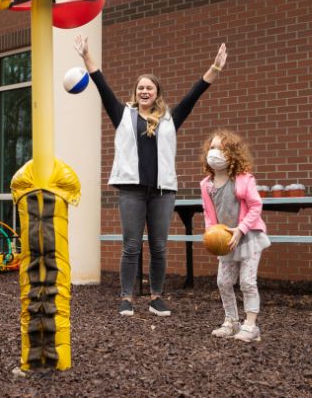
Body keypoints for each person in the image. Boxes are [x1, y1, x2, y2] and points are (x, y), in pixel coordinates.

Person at [74, 35, 227, 317]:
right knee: (131, 245)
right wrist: (86, 56)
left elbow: (195, 93)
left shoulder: (171, 118)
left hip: (162, 191)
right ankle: (126, 298)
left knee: (159, 246)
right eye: (141, 87)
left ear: (157, 93)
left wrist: (215, 68)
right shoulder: (122, 114)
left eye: (150, 87)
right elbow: (101, 84)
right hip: (131, 190)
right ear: (136, 92)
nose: (145, 91)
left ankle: (157, 297)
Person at [199, 129, 270, 342]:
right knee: (223, 282)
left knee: (247, 282)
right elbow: (208, 214)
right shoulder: (207, 185)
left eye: (221, 149)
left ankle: (251, 325)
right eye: (212, 148)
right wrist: (211, 235)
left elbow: (256, 206)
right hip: (226, 241)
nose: (215, 153)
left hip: (247, 237)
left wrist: (241, 229)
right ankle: (231, 321)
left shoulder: (243, 179)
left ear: (232, 154)